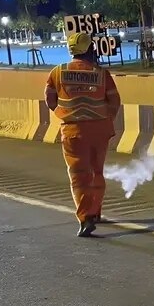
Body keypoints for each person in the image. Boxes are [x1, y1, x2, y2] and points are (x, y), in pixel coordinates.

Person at [45, 31, 122, 237]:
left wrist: (66, 114)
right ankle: (95, 211)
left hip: (73, 129)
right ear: (89, 48)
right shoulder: (101, 73)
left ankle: (86, 217)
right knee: (97, 171)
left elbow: (50, 100)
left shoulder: (57, 72)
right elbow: (114, 101)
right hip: (100, 129)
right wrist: (105, 120)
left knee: (79, 175)